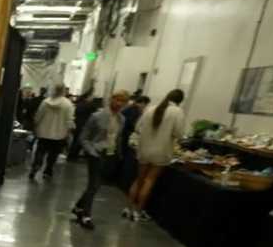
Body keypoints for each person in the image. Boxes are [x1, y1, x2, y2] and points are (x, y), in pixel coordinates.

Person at [70, 89, 130, 230]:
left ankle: (78, 206)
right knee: (93, 184)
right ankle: (86, 214)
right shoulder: (97, 117)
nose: (119, 103)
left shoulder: (122, 119)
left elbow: (118, 138)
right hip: (96, 153)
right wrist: (91, 150)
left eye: (123, 101)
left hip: (110, 154)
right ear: (111, 99)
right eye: (117, 100)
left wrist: (119, 154)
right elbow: (83, 137)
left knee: (97, 184)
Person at [125, 88, 186, 221]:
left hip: (144, 149)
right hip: (161, 151)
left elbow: (138, 128)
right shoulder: (177, 111)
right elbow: (180, 134)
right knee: (149, 181)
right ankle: (138, 211)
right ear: (180, 101)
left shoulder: (151, 109)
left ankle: (127, 208)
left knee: (139, 179)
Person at [30, 84, 73, 181]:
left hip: (43, 132)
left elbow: (38, 116)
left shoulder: (45, 102)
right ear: (64, 91)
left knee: (40, 151)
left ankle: (36, 165)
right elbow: (70, 120)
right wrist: (68, 132)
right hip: (59, 134)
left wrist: (35, 126)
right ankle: (48, 171)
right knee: (53, 154)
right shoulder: (68, 104)